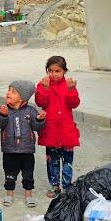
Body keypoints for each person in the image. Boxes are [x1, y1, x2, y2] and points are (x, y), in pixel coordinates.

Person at [0, 80, 46, 208]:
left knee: (28, 173)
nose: (8, 93)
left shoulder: (31, 111)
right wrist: (2, 115)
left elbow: (36, 127)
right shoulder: (3, 109)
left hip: (27, 150)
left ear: (22, 98)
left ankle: (28, 195)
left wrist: (39, 120)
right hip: (9, 150)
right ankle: (9, 194)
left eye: (13, 92)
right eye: (9, 90)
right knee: (9, 173)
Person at [35, 56, 81, 198]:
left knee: (67, 162)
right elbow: (40, 102)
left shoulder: (68, 85)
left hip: (66, 131)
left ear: (64, 71)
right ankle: (55, 186)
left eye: (57, 71)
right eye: (51, 70)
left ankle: (67, 187)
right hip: (51, 131)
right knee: (52, 161)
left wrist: (72, 90)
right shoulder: (43, 84)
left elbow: (74, 104)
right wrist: (45, 89)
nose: (54, 74)